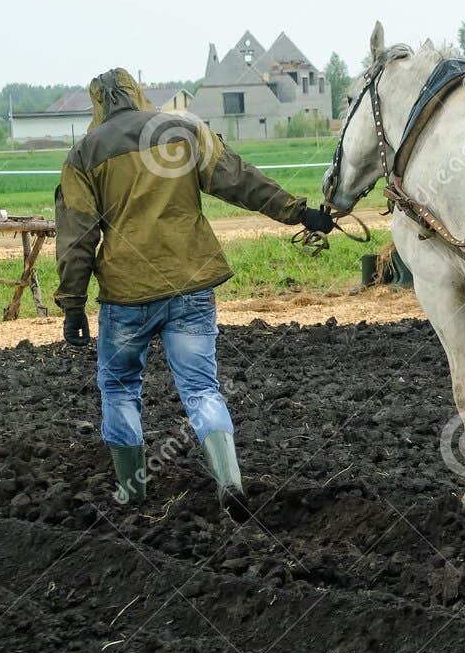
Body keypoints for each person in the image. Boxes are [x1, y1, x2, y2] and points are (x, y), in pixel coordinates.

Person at [55, 69, 333, 516]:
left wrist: (72, 305)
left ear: (98, 104)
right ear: (137, 93)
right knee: (202, 388)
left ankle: (132, 492)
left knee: (120, 386)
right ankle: (230, 481)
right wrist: (298, 212)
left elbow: (77, 236)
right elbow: (237, 178)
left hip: (126, 296)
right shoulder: (180, 130)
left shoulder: (84, 154)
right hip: (190, 285)